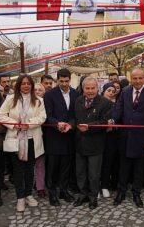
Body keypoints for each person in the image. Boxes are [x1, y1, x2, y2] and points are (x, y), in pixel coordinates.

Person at [112, 68, 144, 208]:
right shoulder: (125, 91)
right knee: (123, 168)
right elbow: (118, 110)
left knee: (139, 169)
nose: (138, 81)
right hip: (125, 138)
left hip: (142, 139)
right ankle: (121, 192)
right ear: (131, 78)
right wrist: (113, 120)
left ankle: (136, 193)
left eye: (140, 78)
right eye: (135, 78)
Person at [0, 75, 46, 212]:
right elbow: (0, 115)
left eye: (28, 84)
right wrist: (15, 124)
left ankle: (29, 194)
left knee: (30, 169)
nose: (26, 86)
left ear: (31, 85)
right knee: (18, 170)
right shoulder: (10, 99)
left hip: (32, 139)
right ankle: (20, 198)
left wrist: (28, 125)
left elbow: (42, 117)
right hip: (15, 139)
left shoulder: (39, 101)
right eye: (23, 83)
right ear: (18, 85)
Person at [74, 77, 111, 209]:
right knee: (80, 172)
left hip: (95, 144)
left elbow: (104, 122)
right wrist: (69, 125)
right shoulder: (78, 100)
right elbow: (74, 118)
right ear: (83, 89)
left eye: (92, 88)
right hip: (79, 143)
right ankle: (83, 194)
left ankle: (93, 197)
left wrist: (89, 126)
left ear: (97, 88)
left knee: (93, 174)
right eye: (87, 88)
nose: (90, 91)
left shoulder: (105, 103)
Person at [44, 69, 79, 206]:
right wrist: (57, 124)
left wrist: (70, 124)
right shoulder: (50, 95)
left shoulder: (76, 94)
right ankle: (52, 193)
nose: (64, 84)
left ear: (70, 80)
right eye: (61, 81)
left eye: (66, 81)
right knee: (52, 167)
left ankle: (63, 190)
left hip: (69, 136)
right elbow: (47, 114)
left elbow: (77, 114)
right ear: (57, 80)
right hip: (54, 136)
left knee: (66, 166)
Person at [101, 83, 119, 198]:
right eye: (109, 90)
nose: (111, 93)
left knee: (109, 162)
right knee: (98, 164)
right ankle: (98, 186)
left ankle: (106, 185)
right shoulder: (98, 103)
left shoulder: (116, 105)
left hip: (112, 138)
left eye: (113, 91)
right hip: (98, 138)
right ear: (103, 91)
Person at [34, 83, 47, 198]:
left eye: (40, 90)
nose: (37, 92)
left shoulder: (46, 104)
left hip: (44, 137)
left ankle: (40, 186)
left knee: (40, 163)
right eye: (35, 90)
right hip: (30, 135)